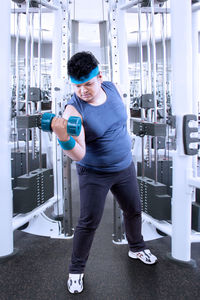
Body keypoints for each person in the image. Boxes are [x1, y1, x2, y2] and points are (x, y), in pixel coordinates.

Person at [51, 51, 158, 294]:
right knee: (88, 222)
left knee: (133, 210)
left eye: (87, 84)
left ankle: (136, 247)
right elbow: (78, 154)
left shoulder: (113, 88)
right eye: (77, 86)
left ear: (100, 77)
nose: (83, 91)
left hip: (124, 166)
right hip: (94, 174)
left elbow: (121, 122)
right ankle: (76, 271)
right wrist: (62, 135)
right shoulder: (73, 110)